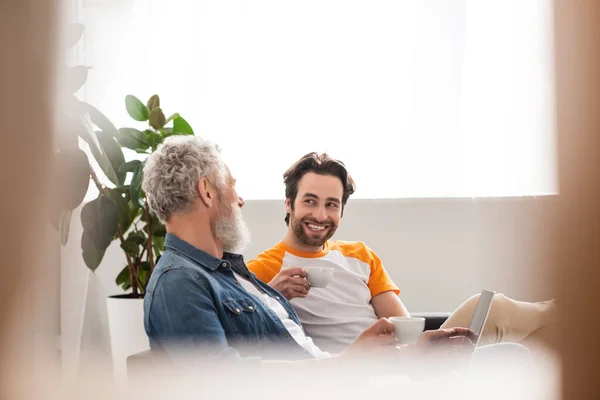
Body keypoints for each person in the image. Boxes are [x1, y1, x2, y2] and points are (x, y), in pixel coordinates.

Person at [141, 136, 470, 365]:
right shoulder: (180, 282)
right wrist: (353, 365)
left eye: (333, 204)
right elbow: (226, 381)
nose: (239, 200)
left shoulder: (227, 276)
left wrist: (397, 358)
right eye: (232, 186)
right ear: (207, 192)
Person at [247, 152, 558, 353]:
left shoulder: (359, 255)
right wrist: (271, 296)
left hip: (402, 363)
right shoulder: (262, 270)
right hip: (345, 375)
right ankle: (574, 309)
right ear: (289, 204)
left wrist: (420, 350)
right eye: (310, 201)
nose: (320, 215)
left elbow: (403, 324)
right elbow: (247, 337)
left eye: (332, 204)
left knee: (531, 340)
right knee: (501, 315)